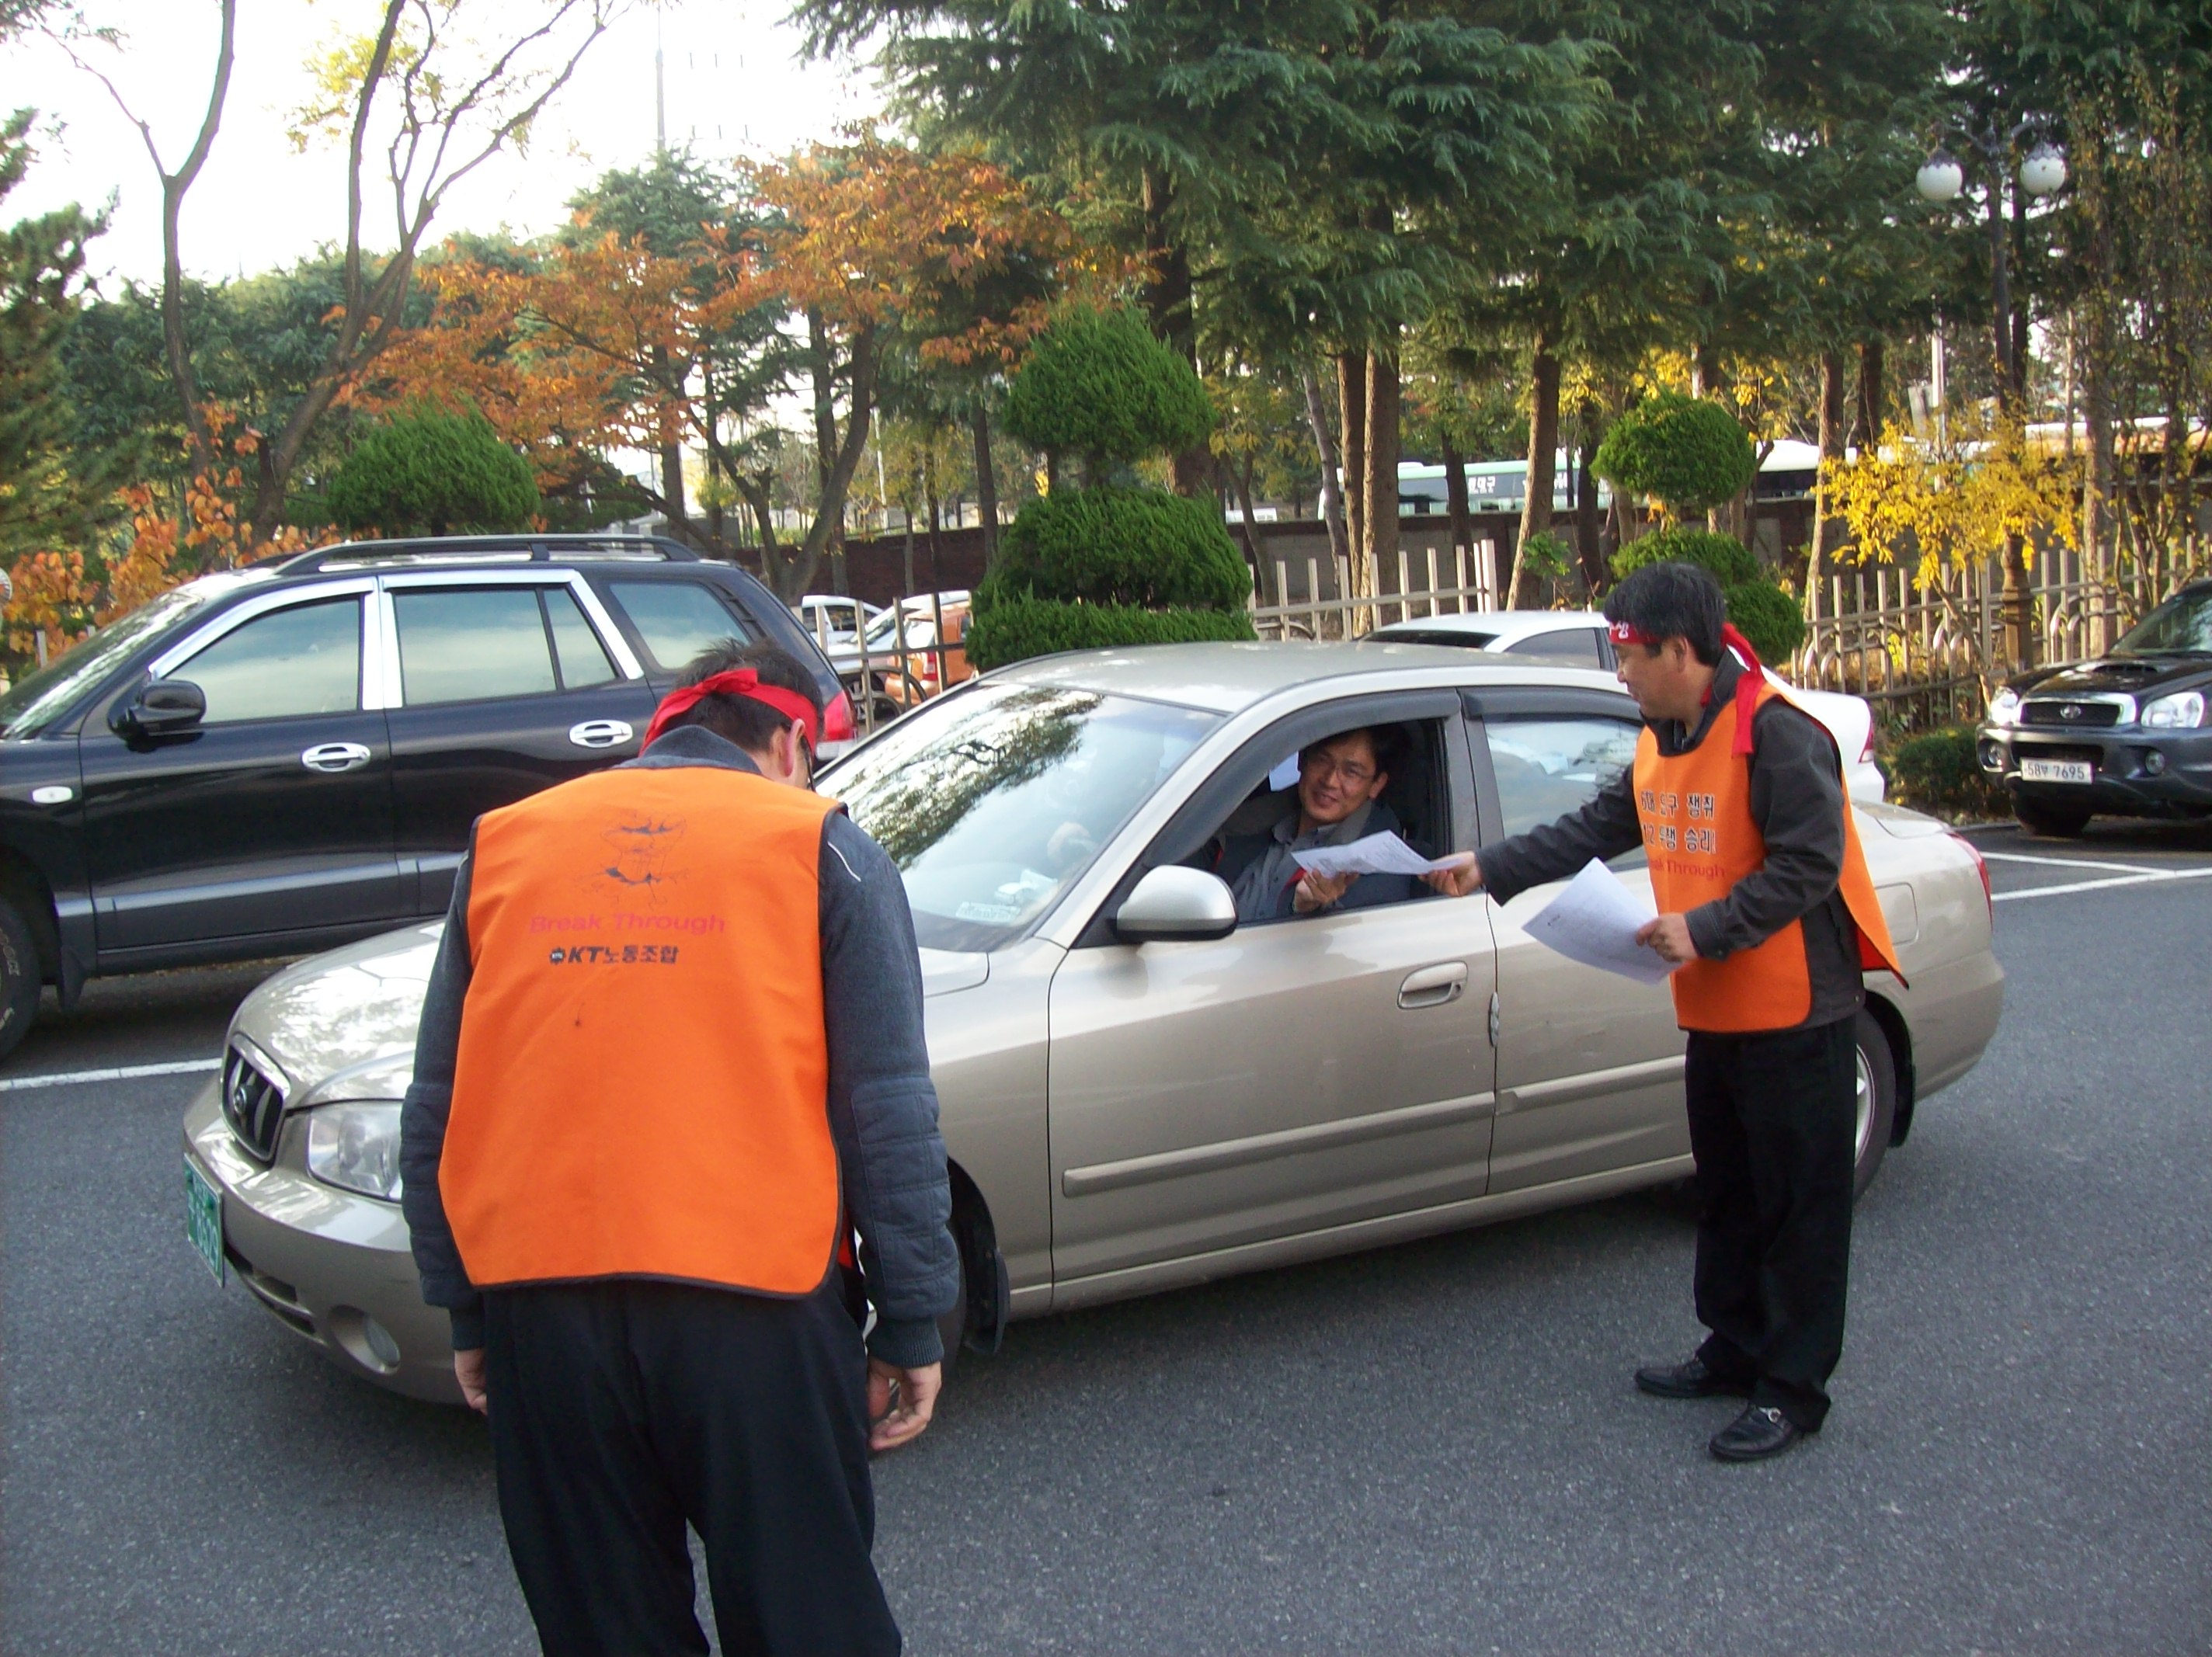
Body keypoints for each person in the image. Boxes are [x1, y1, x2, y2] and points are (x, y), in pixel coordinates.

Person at [399, 640, 959, 1655]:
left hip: (541, 1307)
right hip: (755, 1310)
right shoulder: (820, 844)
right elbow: (887, 1105)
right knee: (806, 1618)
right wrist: (914, 1316)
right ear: (792, 742)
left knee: (608, 1628)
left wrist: (464, 1302)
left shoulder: (510, 841)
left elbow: (439, 1095)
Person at [1423, 562, 1904, 1461]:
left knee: (1799, 1206)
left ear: (1682, 649)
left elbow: (1808, 865)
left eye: (1631, 653)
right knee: (1725, 1192)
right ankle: (1732, 1348)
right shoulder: (1662, 729)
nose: (1622, 672)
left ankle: (1792, 1387)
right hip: (1715, 1007)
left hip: (1796, 1011)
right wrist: (1492, 865)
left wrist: (1708, 926)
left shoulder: (1777, 734)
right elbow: (1606, 822)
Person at [1219, 727, 1419, 920]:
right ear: (1301, 760)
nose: (1330, 780)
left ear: (1376, 785)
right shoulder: (1257, 821)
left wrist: (1302, 908)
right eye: (1322, 761)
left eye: (1351, 772)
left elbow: (1346, 945)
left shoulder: (1376, 869)